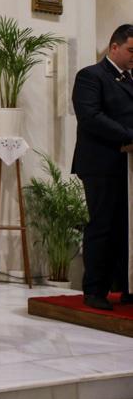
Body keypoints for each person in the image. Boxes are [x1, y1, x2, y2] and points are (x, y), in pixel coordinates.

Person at [72, 23, 133, 311]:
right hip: (101, 163)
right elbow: (91, 116)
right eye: (132, 50)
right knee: (103, 224)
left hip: (128, 165)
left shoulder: (130, 79)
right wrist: (129, 136)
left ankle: (126, 285)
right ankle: (95, 289)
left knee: (127, 227)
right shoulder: (91, 76)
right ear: (114, 47)